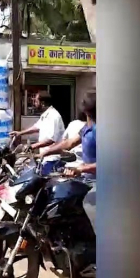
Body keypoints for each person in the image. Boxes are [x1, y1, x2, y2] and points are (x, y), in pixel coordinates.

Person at [39, 92, 96, 232]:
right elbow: (69, 143)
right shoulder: (87, 127)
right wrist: (47, 151)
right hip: (86, 179)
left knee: (89, 205)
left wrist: (81, 169)